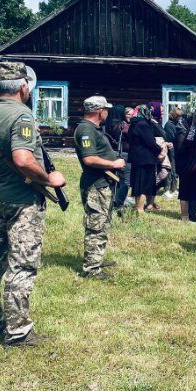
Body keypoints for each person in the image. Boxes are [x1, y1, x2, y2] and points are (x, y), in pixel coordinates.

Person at [0, 61, 66, 347]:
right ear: (23, 87)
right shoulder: (21, 115)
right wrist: (49, 179)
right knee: (22, 264)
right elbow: (23, 159)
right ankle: (18, 331)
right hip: (21, 200)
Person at [73, 96, 126, 280]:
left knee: (102, 223)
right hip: (95, 185)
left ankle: (97, 258)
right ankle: (91, 269)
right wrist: (114, 164)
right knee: (96, 225)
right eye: (106, 110)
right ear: (99, 111)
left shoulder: (92, 129)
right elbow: (89, 159)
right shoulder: (86, 129)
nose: (107, 113)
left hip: (103, 183)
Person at [127, 105, 163, 214]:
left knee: (137, 184)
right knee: (143, 185)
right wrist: (159, 149)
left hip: (136, 158)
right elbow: (150, 142)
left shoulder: (133, 124)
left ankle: (137, 207)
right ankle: (140, 209)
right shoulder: (143, 125)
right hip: (146, 159)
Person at [163, 107, 187, 198]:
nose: (180, 118)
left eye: (181, 116)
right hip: (170, 149)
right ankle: (168, 189)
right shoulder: (169, 125)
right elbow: (170, 138)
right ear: (174, 115)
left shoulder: (177, 123)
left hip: (176, 149)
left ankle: (173, 188)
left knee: (175, 170)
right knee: (171, 169)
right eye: (178, 116)